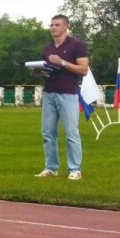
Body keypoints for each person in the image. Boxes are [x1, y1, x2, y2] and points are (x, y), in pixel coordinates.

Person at [38, 14, 89, 180]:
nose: (53, 28)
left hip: (68, 93)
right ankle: (51, 167)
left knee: (71, 133)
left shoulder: (76, 45)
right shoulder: (47, 48)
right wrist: (39, 71)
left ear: (66, 26)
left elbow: (83, 70)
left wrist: (62, 62)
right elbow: (47, 69)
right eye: (51, 25)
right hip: (49, 92)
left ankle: (75, 169)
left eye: (57, 25)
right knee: (48, 133)